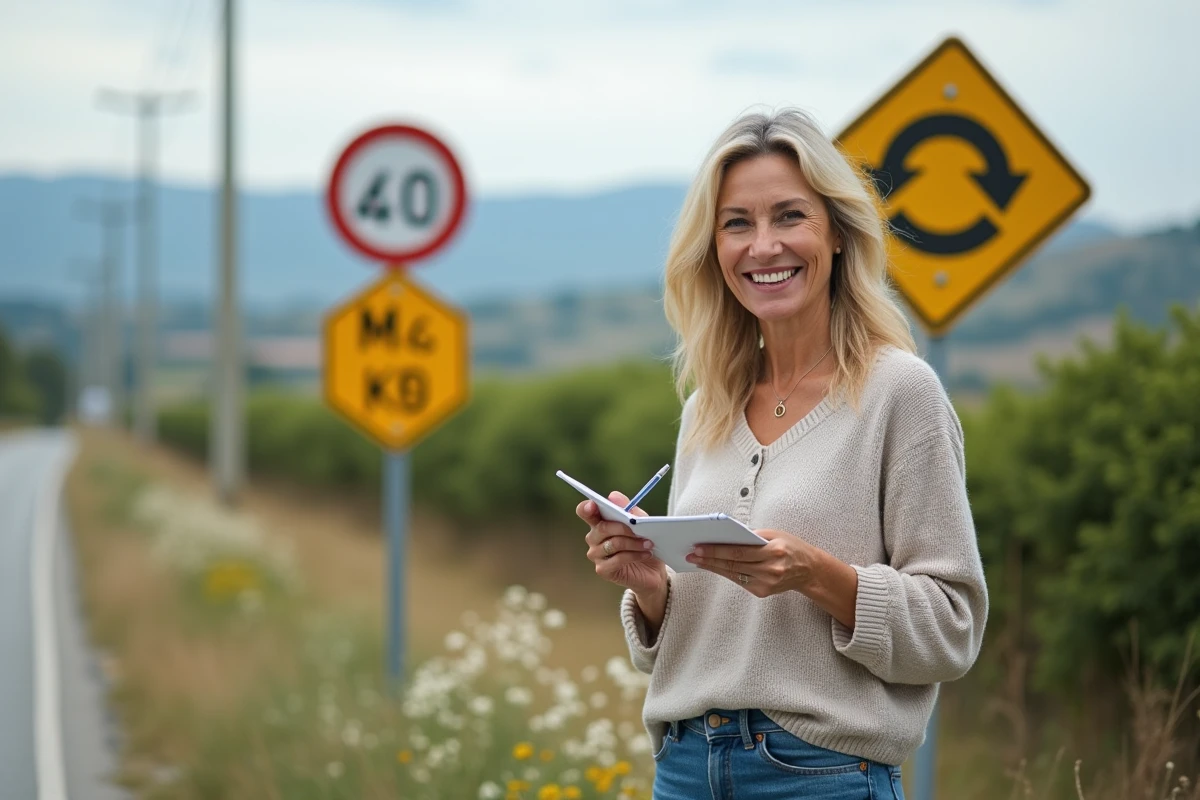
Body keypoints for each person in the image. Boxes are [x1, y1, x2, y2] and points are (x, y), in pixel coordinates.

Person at [576, 107, 989, 800]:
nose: (763, 245)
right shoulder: (706, 405)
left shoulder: (899, 394)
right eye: (737, 223)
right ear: (713, 248)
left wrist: (817, 574)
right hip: (683, 768)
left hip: (820, 776)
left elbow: (953, 629)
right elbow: (704, 628)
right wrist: (650, 591)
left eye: (789, 216)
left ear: (835, 235)